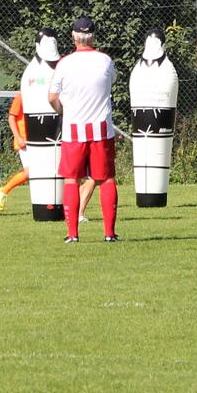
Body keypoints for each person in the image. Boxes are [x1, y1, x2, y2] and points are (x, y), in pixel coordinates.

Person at [50, 16, 120, 242]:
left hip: (74, 130)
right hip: (101, 130)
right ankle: (109, 234)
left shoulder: (64, 64)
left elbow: (52, 97)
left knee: (72, 179)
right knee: (106, 179)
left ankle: (72, 234)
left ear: (73, 37)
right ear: (94, 36)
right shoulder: (105, 61)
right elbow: (111, 81)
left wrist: (63, 111)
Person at [0, 90, 30, 212]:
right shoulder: (21, 97)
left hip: (38, 140)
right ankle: (3, 190)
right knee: (29, 172)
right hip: (24, 141)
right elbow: (11, 118)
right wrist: (18, 137)